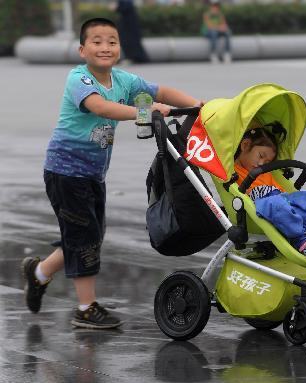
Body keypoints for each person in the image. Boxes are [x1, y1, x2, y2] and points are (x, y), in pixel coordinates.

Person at [21, 17, 202, 330]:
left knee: (87, 235)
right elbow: (102, 108)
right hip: (65, 171)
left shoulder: (124, 81)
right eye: (97, 41)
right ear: (82, 50)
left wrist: (199, 106)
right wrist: (148, 111)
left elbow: (162, 91)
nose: (105, 47)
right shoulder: (79, 79)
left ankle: (38, 273)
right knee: (85, 236)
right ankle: (85, 308)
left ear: (119, 48)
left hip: (93, 173)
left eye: (112, 41)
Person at [234, 127, 306, 259]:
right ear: (245, 145)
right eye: (261, 156)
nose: (262, 163)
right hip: (262, 206)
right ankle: (301, 240)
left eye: (267, 162)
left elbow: (284, 195)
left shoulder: (266, 172)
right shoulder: (232, 170)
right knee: (274, 201)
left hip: (284, 201)